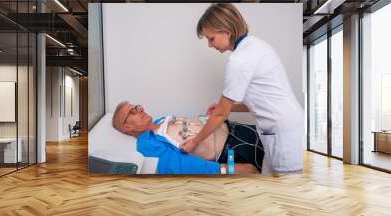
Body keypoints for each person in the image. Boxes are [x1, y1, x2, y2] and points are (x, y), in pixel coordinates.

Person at [180, 3, 304, 173]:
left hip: (282, 132)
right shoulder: (256, 46)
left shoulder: (240, 60)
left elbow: (221, 114)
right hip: (284, 125)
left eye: (211, 38)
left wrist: (195, 141)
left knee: (287, 190)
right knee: (270, 181)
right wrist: (229, 107)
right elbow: (261, 100)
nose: (210, 45)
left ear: (226, 31)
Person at [112, 101, 264, 175]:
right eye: (133, 111)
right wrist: (231, 169)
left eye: (137, 107)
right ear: (127, 127)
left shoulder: (161, 120)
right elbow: (182, 166)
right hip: (235, 151)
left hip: (241, 128)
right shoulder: (147, 143)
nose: (141, 109)